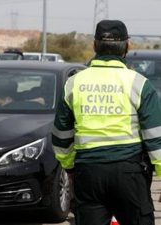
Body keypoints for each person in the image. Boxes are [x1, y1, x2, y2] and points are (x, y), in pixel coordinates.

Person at [52, 19, 161, 225]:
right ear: (127, 47)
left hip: (88, 172)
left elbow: (60, 135)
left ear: (94, 46)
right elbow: (155, 136)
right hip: (129, 173)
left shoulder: (74, 83)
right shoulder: (139, 83)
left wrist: (70, 167)